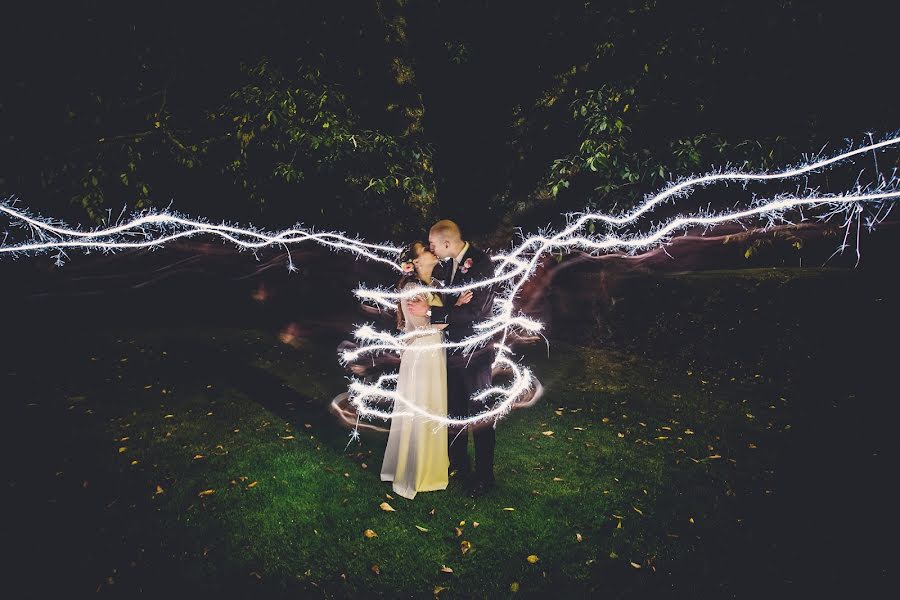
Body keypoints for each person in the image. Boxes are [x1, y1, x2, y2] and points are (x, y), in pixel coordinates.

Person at [380, 241, 472, 499]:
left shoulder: (435, 286)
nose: (432, 251)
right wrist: (452, 312)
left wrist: (447, 313)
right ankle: (415, 468)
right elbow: (421, 327)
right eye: (425, 249)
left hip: (434, 353)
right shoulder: (411, 289)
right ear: (416, 262)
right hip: (421, 355)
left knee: (433, 406)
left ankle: (432, 465)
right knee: (420, 406)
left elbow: (439, 318)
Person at [427, 220, 497, 497]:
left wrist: (439, 317)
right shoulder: (444, 267)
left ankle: (484, 476)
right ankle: (458, 463)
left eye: (433, 244)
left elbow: (476, 312)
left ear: (447, 243)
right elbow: (441, 303)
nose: (431, 250)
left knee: (481, 416)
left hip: (475, 353)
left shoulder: (481, 264)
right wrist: (449, 309)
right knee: (454, 411)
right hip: (449, 351)